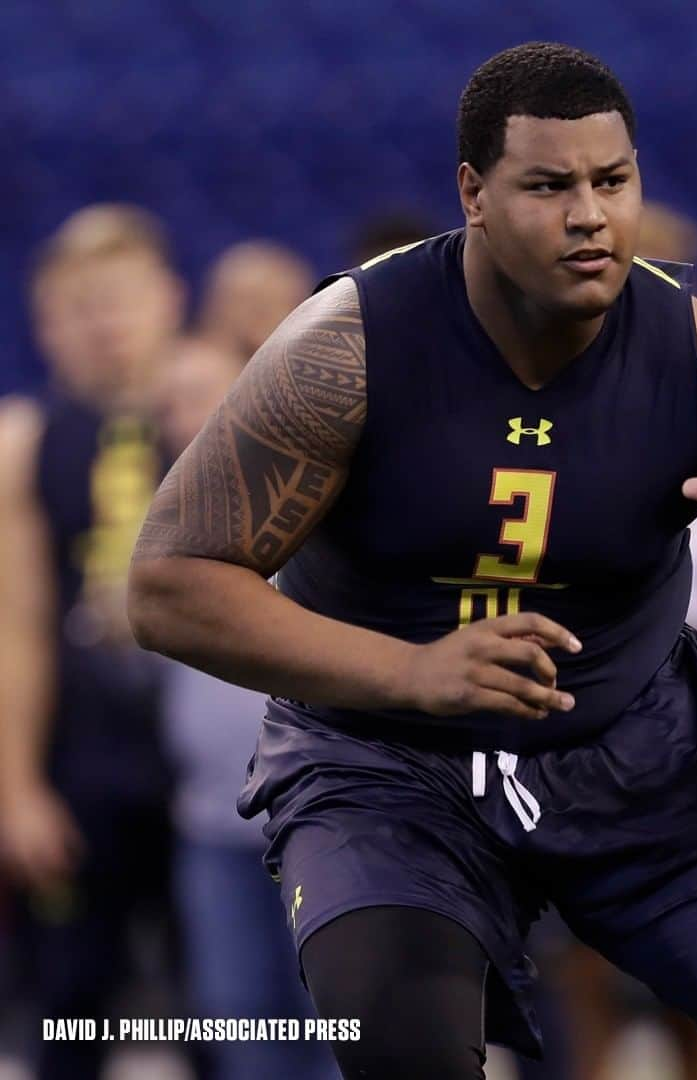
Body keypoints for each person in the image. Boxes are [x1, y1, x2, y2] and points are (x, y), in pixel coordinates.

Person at [128, 43, 697, 1079]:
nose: (590, 214)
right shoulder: (345, 348)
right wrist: (412, 670)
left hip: (644, 751)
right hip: (385, 764)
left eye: (612, 181)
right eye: (549, 185)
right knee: (405, 1051)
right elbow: (166, 585)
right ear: (474, 195)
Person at [0, 204, 185, 1080]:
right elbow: (20, 628)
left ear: (166, 300)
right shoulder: (28, 445)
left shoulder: (226, 422)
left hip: (208, 784)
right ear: (44, 325)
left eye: (120, 300)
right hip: (87, 773)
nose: (104, 326)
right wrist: (18, 788)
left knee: (228, 1016)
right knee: (70, 1011)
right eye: (79, 307)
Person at [156, 336, 338, 1080]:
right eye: (169, 403)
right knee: (241, 1026)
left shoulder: (318, 499)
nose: (182, 418)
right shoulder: (163, 520)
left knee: (335, 1031)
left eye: (201, 394)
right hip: (208, 822)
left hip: (318, 822)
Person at [199, 240, 315, 360]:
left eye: (281, 304)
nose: (271, 317)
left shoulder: (298, 368)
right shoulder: (199, 370)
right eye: (253, 303)